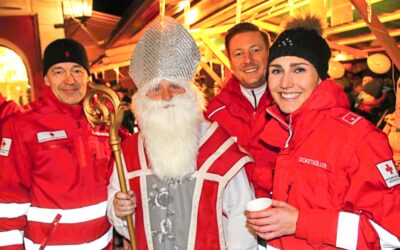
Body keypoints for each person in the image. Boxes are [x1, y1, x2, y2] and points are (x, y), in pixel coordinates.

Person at [246, 15, 400, 249]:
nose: (285, 83)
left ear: (320, 77)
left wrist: (300, 222)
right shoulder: (283, 131)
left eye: (299, 69)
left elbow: (390, 234)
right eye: (276, 71)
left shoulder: (359, 139)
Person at [107, 16, 257, 250]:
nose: (167, 97)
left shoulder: (221, 149)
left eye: (175, 87)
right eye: (156, 89)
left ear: (191, 93)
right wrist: (118, 210)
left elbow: (242, 217)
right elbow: (122, 220)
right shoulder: (128, 154)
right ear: (142, 99)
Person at [0, 38, 113, 249]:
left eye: (77, 70)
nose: (69, 80)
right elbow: (8, 202)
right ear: (46, 79)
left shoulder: (102, 123)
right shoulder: (23, 125)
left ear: (88, 77)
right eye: (58, 71)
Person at [205, 22, 277, 198]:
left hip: (284, 215)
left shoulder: (289, 103)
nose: (247, 60)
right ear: (230, 62)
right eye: (238, 54)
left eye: (255, 50)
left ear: (269, 53)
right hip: (235, 217)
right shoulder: (212, 113)